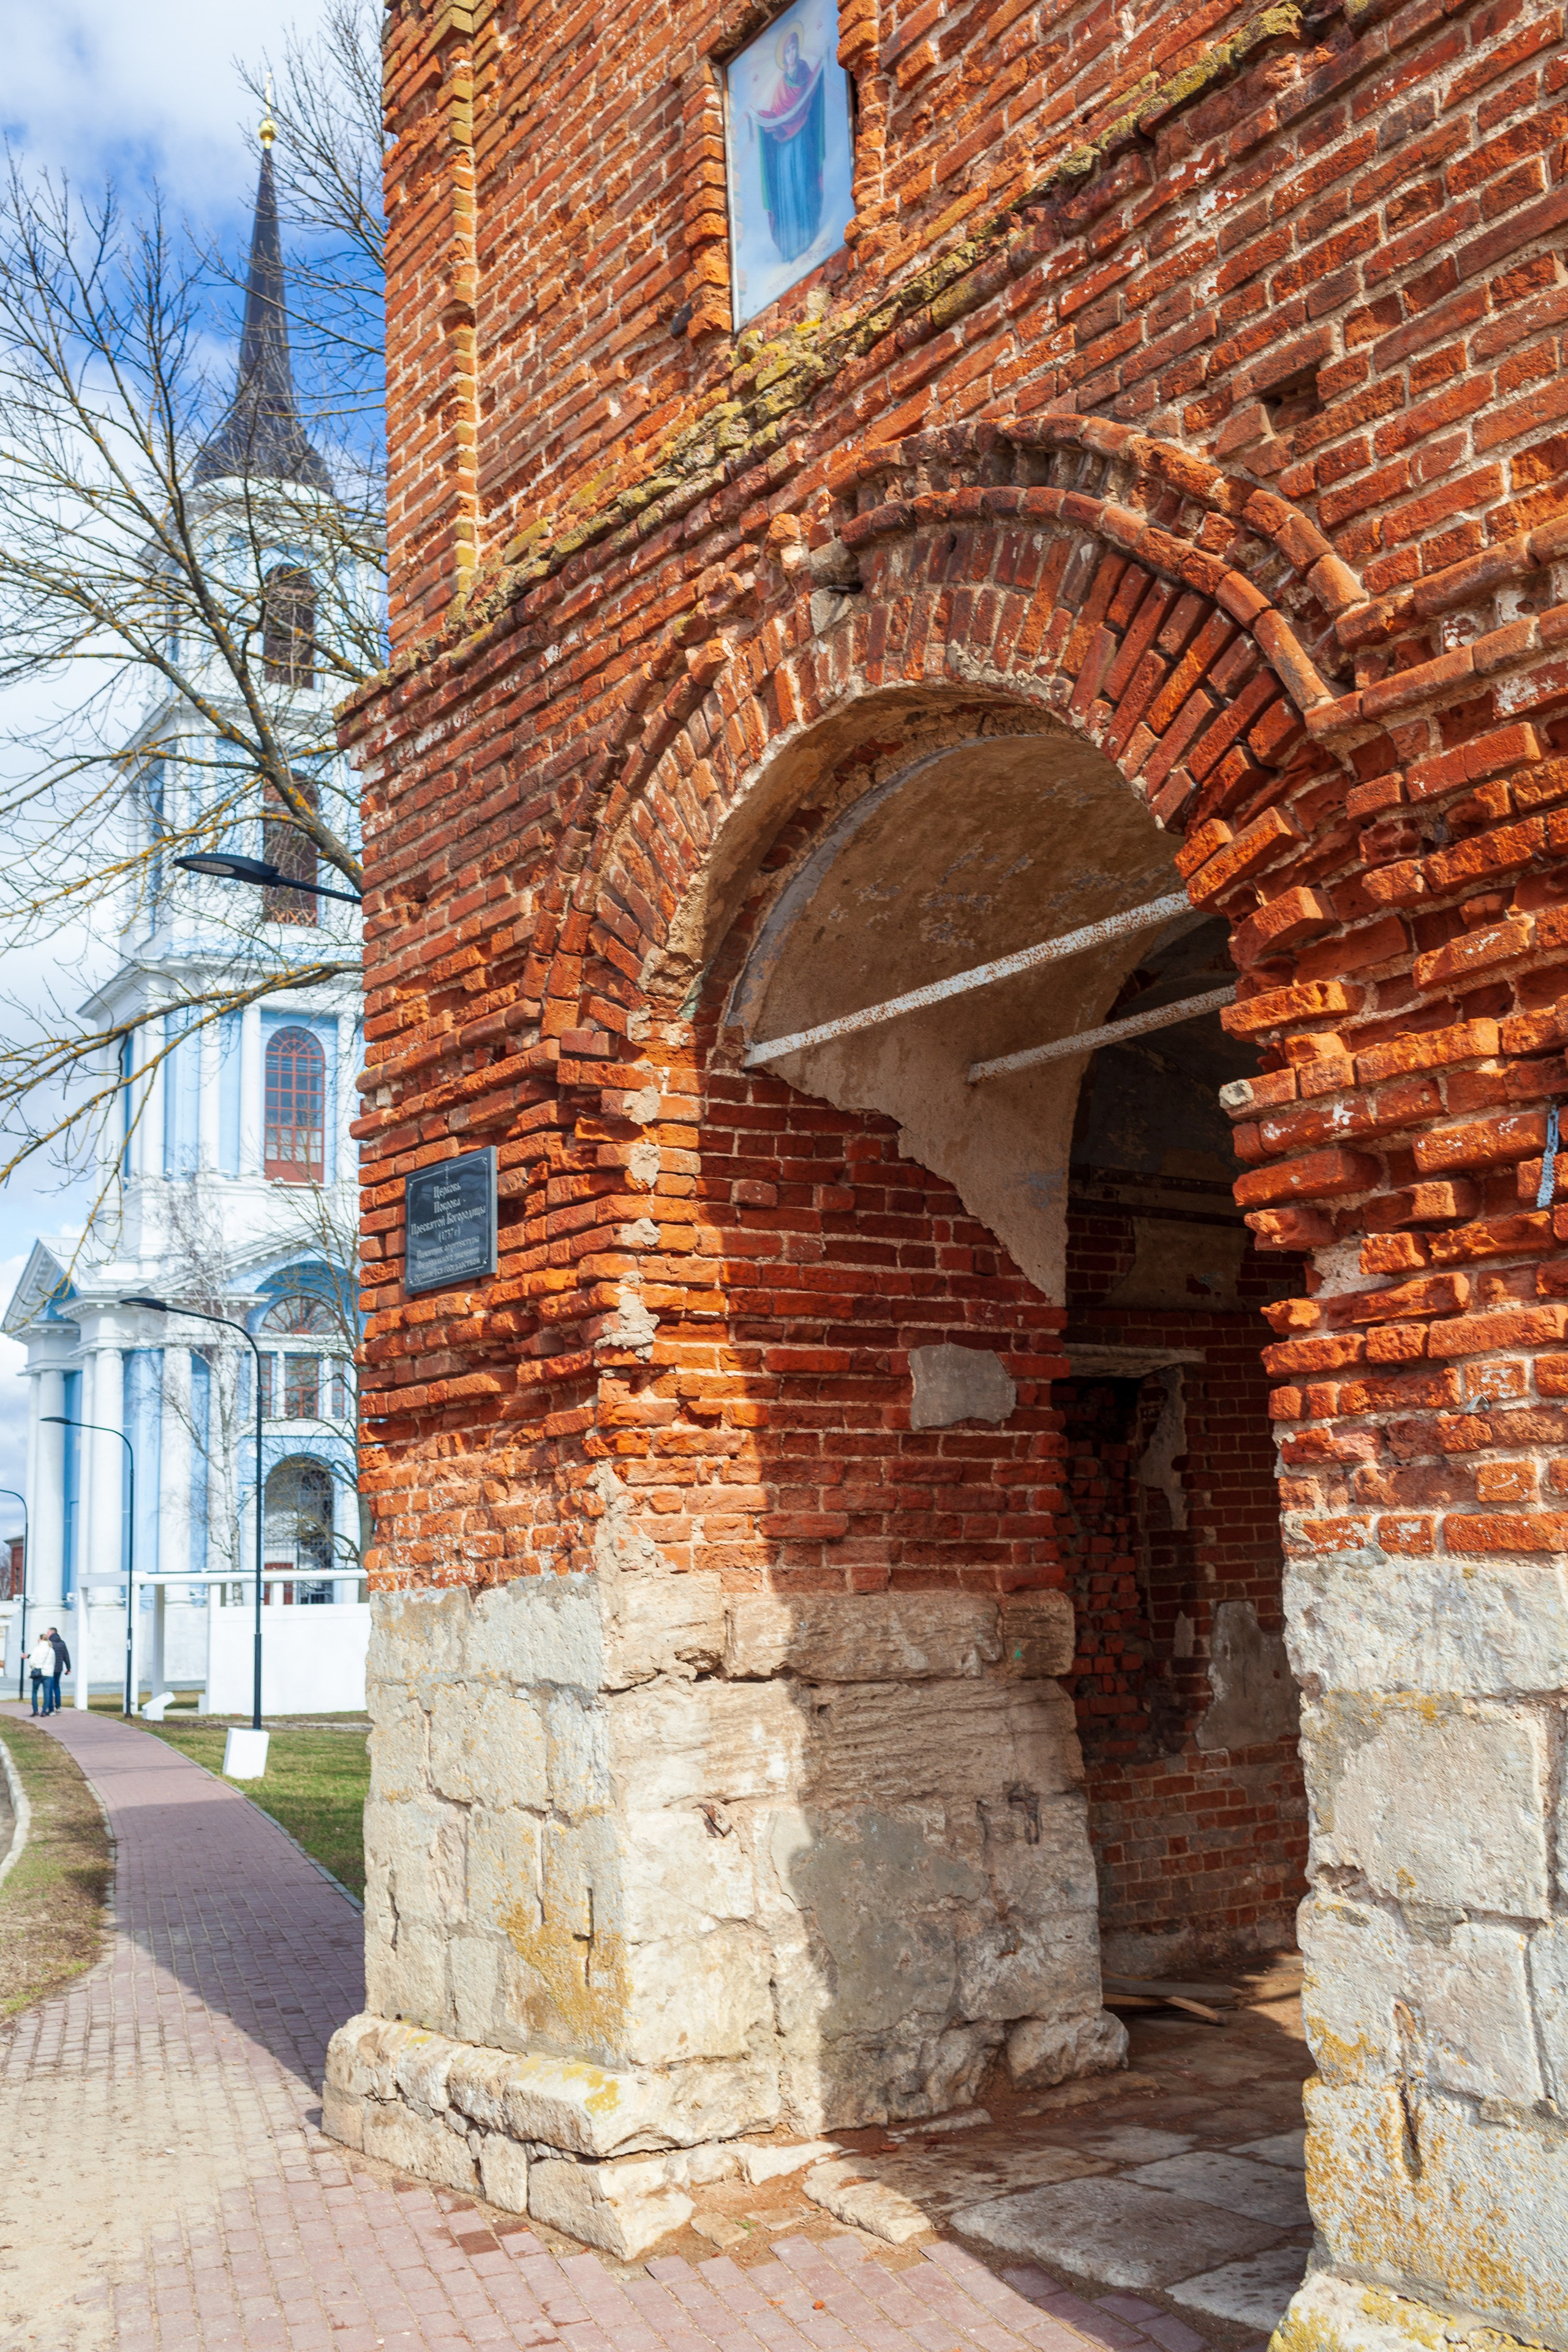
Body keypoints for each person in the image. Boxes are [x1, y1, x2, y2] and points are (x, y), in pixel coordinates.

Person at [44, 1626, 69, 1715]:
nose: (47, 1634)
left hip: (51, 1669)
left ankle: (50, 1707)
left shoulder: (49, 1643)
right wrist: (68, 1668)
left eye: (48, 1633)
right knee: (57, 1687)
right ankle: (58, 1706)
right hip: (59, 1668)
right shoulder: (62, 1643)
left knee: (50, 1688)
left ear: (52, 1633)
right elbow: (66, 1656)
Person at [27, 1633, 53, 1717]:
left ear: (41, 1639)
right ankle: (44, 1711)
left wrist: (33, 1667)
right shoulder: (51, 1650)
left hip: (38, 1672)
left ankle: (35, 1711)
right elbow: (53, 1662)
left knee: (35, 1692)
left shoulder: (37, 1649)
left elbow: (32, 1661)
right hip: (48, 1674)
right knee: (47, 1693)